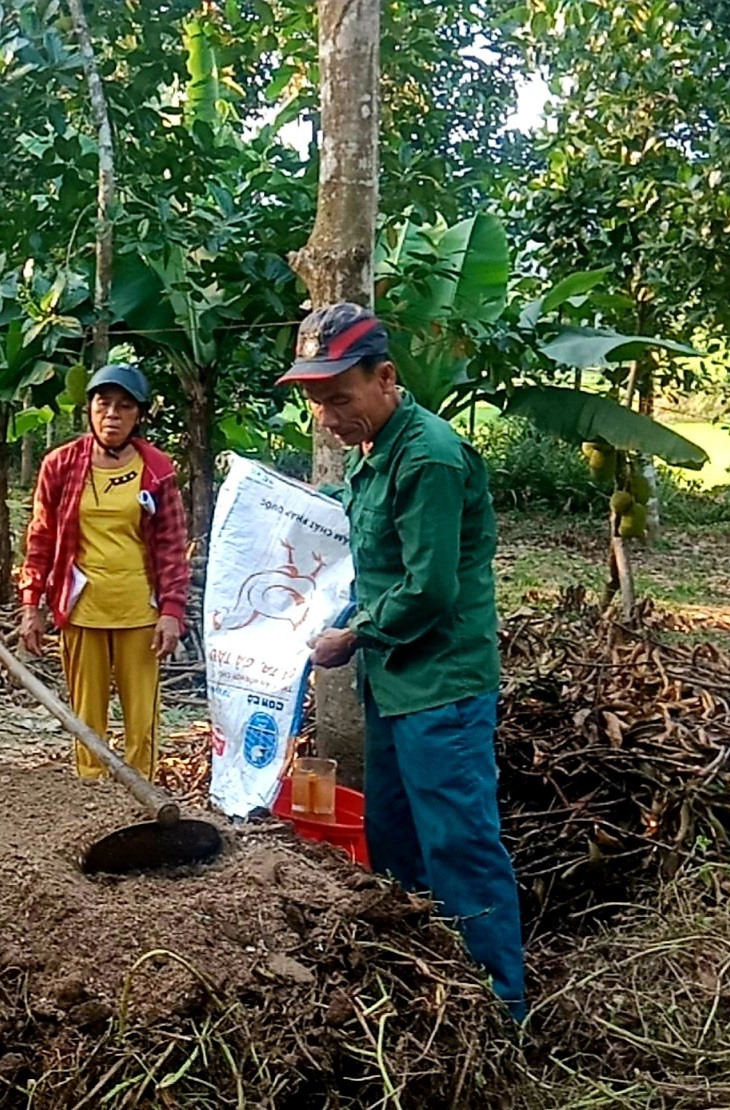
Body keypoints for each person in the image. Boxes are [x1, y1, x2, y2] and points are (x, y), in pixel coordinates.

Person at [285, 302, 526, 1019]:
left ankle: (498, 1005)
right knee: (391, 835)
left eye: (338, 398)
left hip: (440, 684)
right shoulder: (377, 450)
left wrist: (352, 635)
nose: (327, 418)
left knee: (458, 843)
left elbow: (430, 588)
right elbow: (362, 518)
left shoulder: (428, 456)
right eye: (317, 403)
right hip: (395, 683)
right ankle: (427, 982)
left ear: (385, 378)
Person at [15, 363, 190, 779]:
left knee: (141, 718)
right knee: (86, 714)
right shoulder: (61, 465)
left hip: (139, 611)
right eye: (103, 403)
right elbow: (41, 537)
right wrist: (31, 605)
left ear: (139, 416)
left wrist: (172, 611)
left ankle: (139, 795)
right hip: (82, 608)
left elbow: (171, 545)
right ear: (89, 410)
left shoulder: (157, 469)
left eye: (124, 406)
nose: (112, 414)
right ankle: (91, 793)